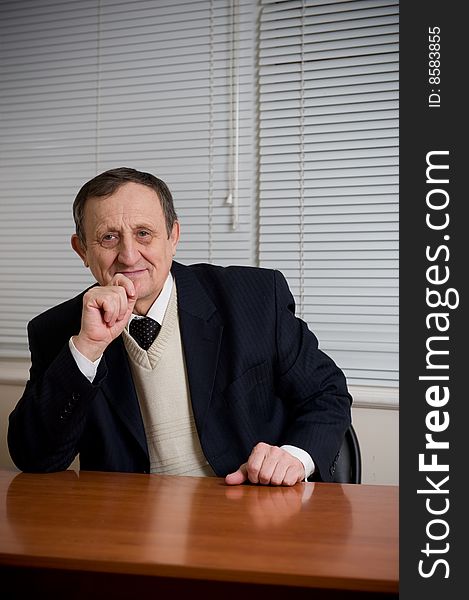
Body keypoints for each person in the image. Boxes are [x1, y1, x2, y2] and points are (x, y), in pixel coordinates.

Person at [7, 167, 352, 486]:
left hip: (249, 507)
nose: (129, 255)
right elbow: (35, 458)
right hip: (128, 529)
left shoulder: (256, 298)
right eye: (109, 237)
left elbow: (327, 392)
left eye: (144, 234)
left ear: (173, 236)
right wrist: (87, 350)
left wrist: (294, 457)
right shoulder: (60, 331)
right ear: (82, 249)